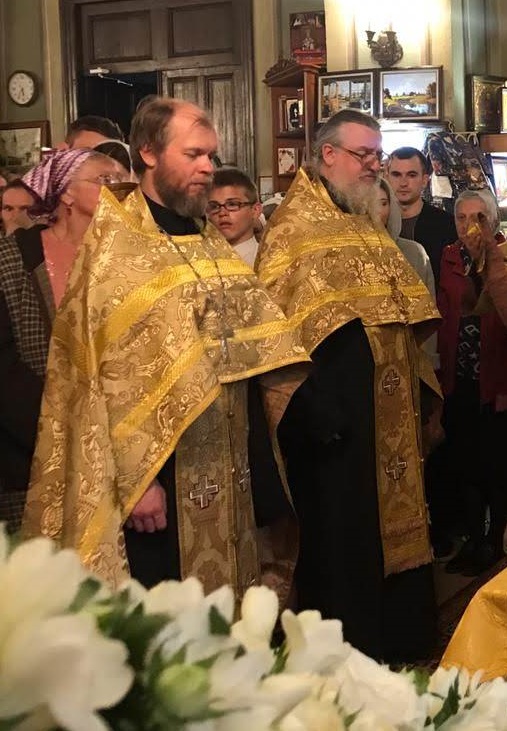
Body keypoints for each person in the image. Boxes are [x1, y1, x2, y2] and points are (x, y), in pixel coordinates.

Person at [23, 98, 309, 605]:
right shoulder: (116, 248)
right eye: (194, 154)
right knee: (169, 616)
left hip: (228, 464)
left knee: (229, 608)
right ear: (149, 153)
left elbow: (255, 343)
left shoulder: (207, 239)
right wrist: (140, 481)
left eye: (212, 156)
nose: (208, 168)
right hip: (159, 483)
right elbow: (102, 378)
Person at [257, 109, 442, 664]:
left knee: (395, 530)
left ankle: (400, 644)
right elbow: (277, 332)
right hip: (333, 425)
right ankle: (349, 660)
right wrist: (315, 410)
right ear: (328, 154)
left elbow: (403, 312)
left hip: (387, 412)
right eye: (364, 154)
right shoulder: (293, 229)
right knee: (345, 540)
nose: (373, 166)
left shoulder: (362, 224)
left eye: (376, 155)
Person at [0, 148, 126, 532]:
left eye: (123, 180)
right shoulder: (12, 258)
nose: (119, 188)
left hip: (119, 446)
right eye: (105, 180)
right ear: (67, 192)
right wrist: (64, 429)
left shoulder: (127, 255)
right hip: (31, 446)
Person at [437, 189, 507, 576]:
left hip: (495, 380)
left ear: (492, 221)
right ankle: (473, 539)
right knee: (465, 463)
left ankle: (494, 541)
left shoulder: (503, 257)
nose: (470, 226)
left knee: (495, 465)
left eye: (478, 217)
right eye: (462, 218)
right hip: (459, 377)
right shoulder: (448, 258)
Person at [386, 146, 457, 285]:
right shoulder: (375, 224)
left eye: (411, 175)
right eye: (396, 175)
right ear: (386, 177)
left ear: (425, 180)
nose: (403, 183)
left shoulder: (446, 225)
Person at [207, 167, 263, 268]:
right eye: (214, 206)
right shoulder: (198, 260)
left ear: (255, 210)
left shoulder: (266, 263)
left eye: (232, 204)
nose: (222, 213)